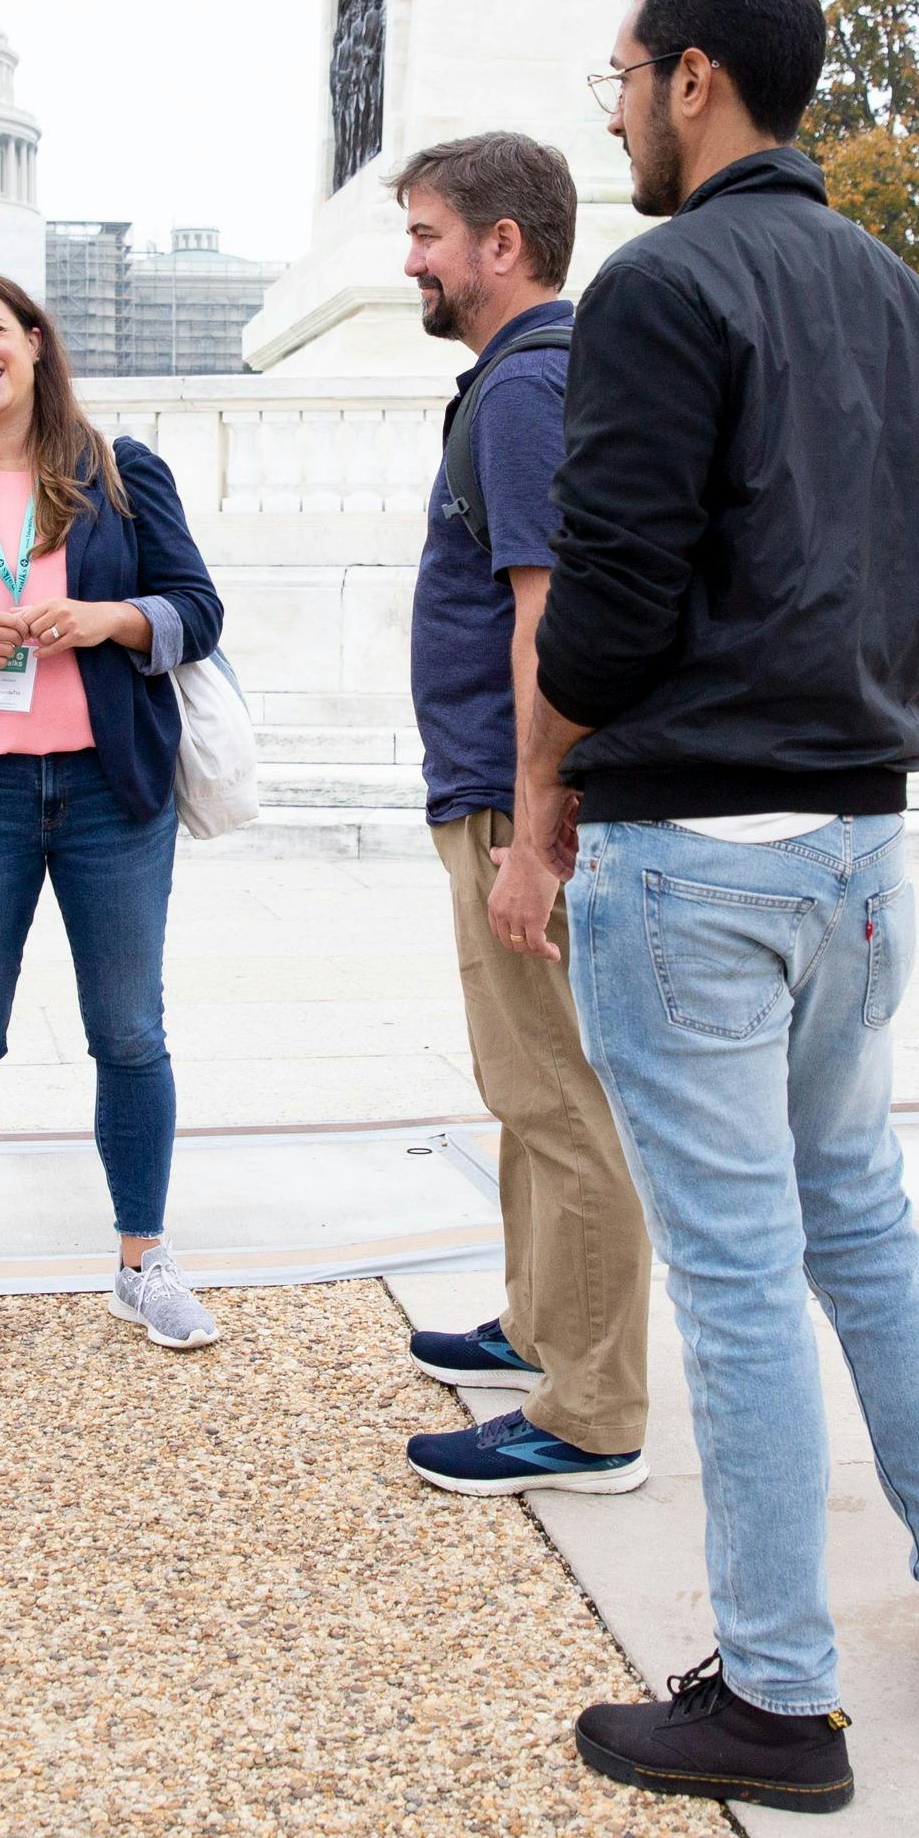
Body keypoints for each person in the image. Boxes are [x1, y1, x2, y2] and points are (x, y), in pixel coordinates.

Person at [532, 0, 919, 1815]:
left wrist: (560, 747)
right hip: (857, 843)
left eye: (623, 73)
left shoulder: (661, 286)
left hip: (702, 851)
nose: (613, 111)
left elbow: (605, 609)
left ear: (693, 79)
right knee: (865, 1236)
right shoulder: (909, 299)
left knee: (740, 1280)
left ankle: (773, 1695)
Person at [0, 270, 226, 1363]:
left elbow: (197, 610)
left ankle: (142, 1260)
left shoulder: (120, 470)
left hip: (113, 793)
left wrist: (109, 619)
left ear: (32, 340)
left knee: (130, 1032)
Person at [386, 131, 654, 1500]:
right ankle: (539, 1327)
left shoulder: (523, 389)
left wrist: (534, 836)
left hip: (512, 794)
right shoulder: (528, 377)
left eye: (427, 233)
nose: (411, 261)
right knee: (523, 1082)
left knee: (557, 1093)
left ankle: (593, 1413)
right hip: (498, 788)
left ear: (503, 244)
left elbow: (546, 619)